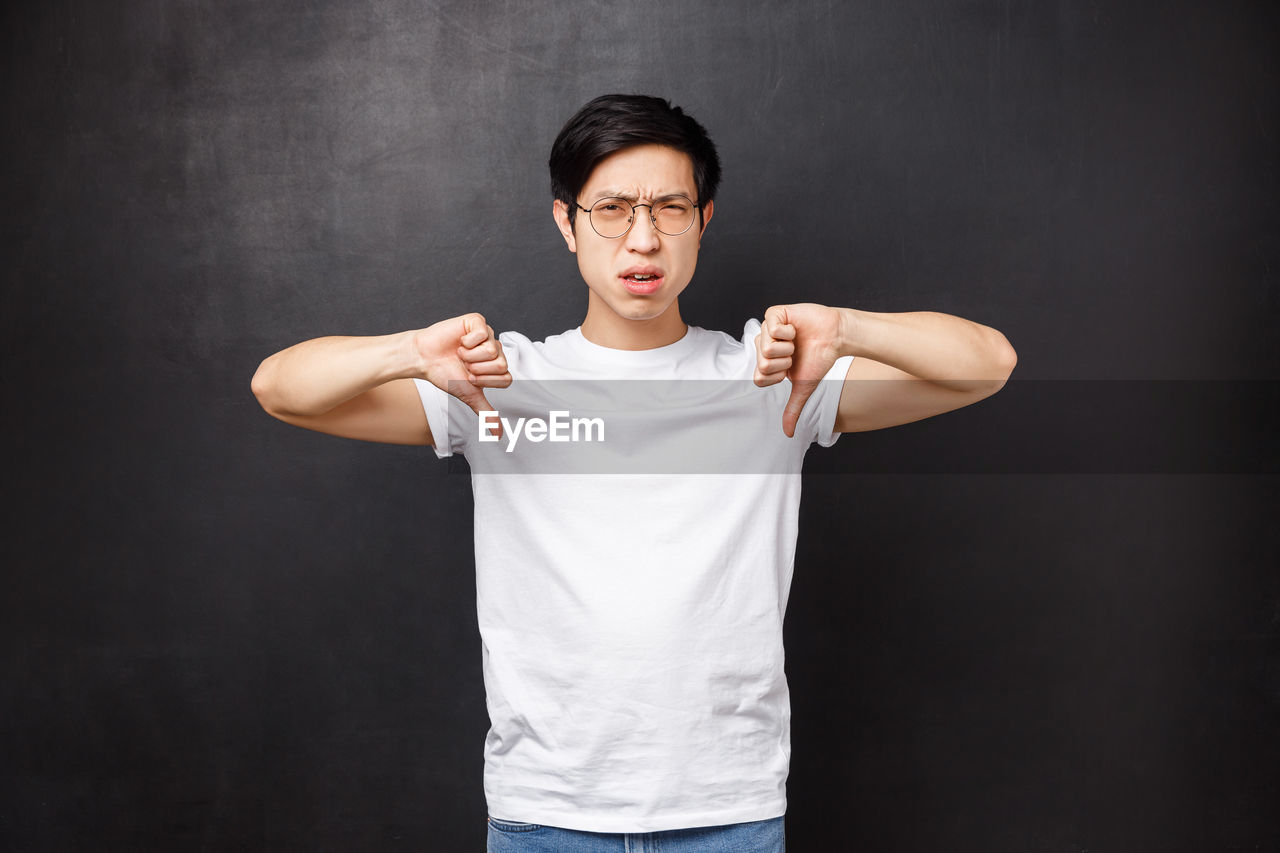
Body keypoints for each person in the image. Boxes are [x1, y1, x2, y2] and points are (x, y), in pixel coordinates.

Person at [251, 94, 1017, 852]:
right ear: (567, 222)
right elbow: (279, 389)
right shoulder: (497, 382)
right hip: (544, 814)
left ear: (704, 219)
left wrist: (848, 328)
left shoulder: (774, 375)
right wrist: (411, 352)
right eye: (611, 208)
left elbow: (988, 366)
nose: (642, 239)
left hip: (728, 813)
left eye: (670, 208)